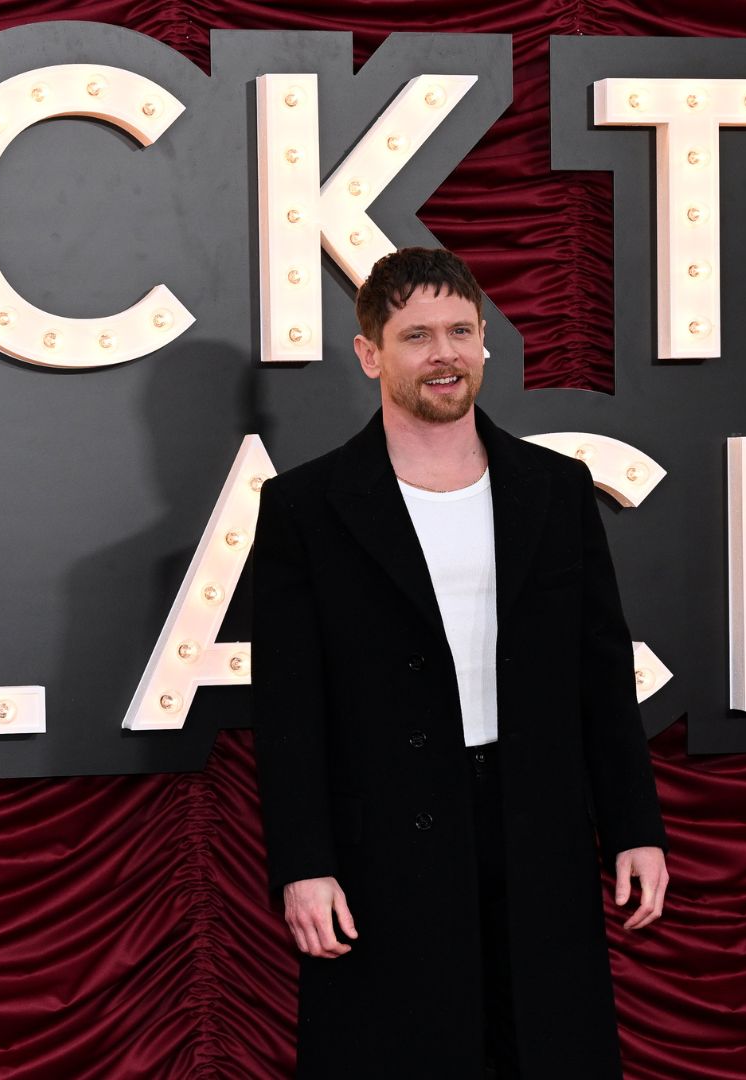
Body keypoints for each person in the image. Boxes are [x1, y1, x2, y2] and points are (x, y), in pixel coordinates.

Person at [252, 246, 669, 1077]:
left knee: (545, 1050)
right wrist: (305, 865)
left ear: (483, 342)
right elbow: (288, 707)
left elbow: (599, 674)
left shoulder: (554, 487)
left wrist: (633, 828)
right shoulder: (305, 505)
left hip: (537, 826)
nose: (444, 354)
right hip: (383, 845)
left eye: (460, 331)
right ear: (370, 354)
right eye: (416, 336)